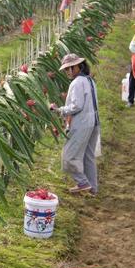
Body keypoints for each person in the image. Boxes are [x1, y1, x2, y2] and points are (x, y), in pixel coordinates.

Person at [50, 54, 100, 196]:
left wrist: (59, 110)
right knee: (87, 157)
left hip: (82, 123)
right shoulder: (89, 80)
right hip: (94, 122)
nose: (69, 71)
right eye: (66, 69)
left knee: (68, 156)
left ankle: (82, 182)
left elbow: (76, 106)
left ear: (79, 66)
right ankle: (93, 189)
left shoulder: (78, 82)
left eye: (71, 68)